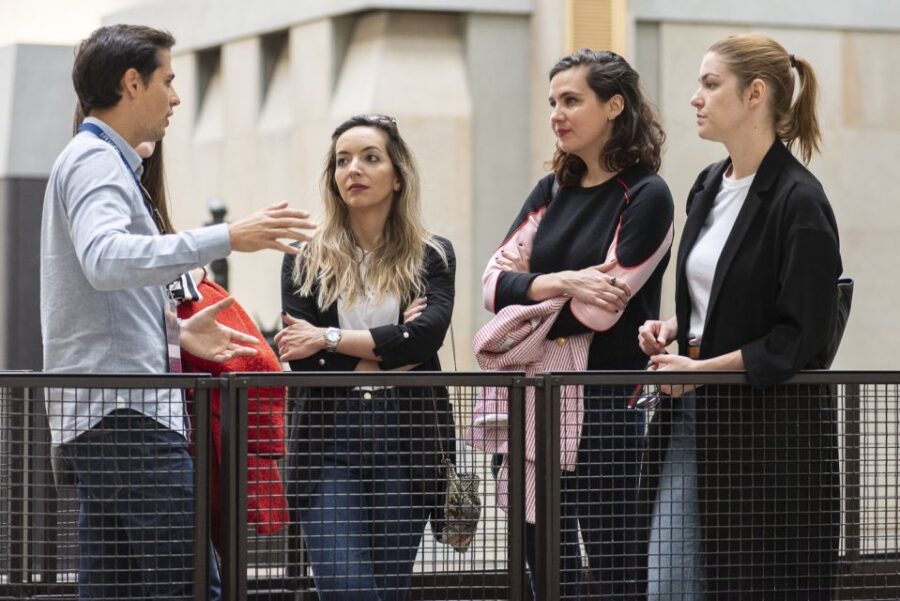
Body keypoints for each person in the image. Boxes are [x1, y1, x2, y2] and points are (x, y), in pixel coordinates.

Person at [40, 24, 314, 600]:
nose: (177, 97)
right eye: (168, 80)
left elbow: (102, 292)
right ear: (132, 83)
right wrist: (226, 237)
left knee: (117, 589)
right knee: (191, 586)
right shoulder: (96, 160)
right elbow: (105, 259)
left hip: (104, 415)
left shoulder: (91, 158)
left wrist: (175, 331)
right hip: (127, 416)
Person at [638, 33, 842, 600]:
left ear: (754, 93)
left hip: (766, 439)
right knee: (669, 583)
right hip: (693, 423)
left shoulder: (800, 201)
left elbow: (797, 338)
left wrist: (698, 370)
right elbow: (722, 292)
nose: (695, 98)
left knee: (746, 581)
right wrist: (678, 327)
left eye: (709, 84)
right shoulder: (707, 186)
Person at [481, 49, 674, 599]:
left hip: (607, 408)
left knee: (616, 570)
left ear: (614, 105)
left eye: (571, 100)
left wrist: (530, 289)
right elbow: (491, 286)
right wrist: (565, 281)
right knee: (545, 572)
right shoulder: (550, 192)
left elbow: (603, 306)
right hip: (531, 404)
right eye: (552, 102)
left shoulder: (646, 195)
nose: (556, 114)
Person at [277, 114, 455, 601]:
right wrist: (389, 348)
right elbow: (300, 358)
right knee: (346, 587)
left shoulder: (431, 256)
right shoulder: (303, 258)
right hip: (327, 437)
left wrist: (329, 338)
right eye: (342, 160)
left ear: (397, 177)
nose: (353, 168)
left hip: (407, 435)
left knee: (389, 588)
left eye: (369, 158)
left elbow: (425, 339)